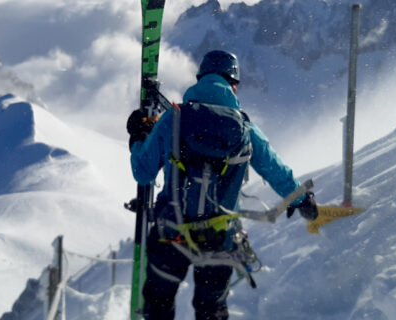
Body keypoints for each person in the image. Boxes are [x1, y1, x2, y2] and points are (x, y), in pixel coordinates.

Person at [127, 50, 318, 320]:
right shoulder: (245, 128)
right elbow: (275, 169)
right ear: (234, 84)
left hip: (171, 234)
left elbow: (142, 172)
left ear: (200, 78)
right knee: (211, 311)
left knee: (159, 304)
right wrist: (301, 199)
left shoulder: (174, 119)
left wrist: (139, 136)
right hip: (220, 240)